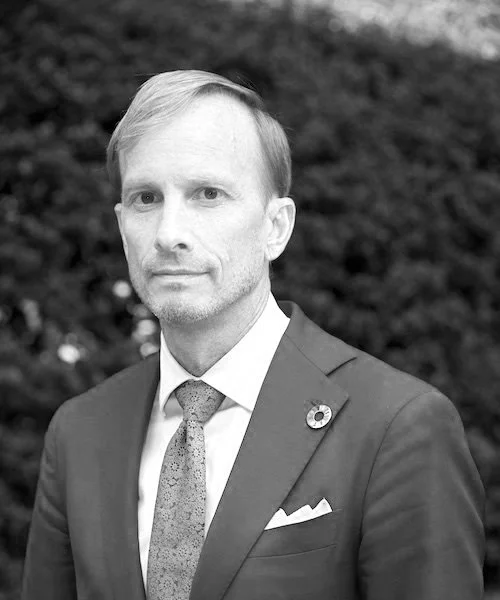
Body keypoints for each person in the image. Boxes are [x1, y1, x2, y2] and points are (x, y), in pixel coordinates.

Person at [22, 70, 485, 600]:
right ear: (122, 224)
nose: (169, 234)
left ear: (276, 227)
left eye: (208, 194)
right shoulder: (78, 432)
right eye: (147, 198)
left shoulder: (397, 426)